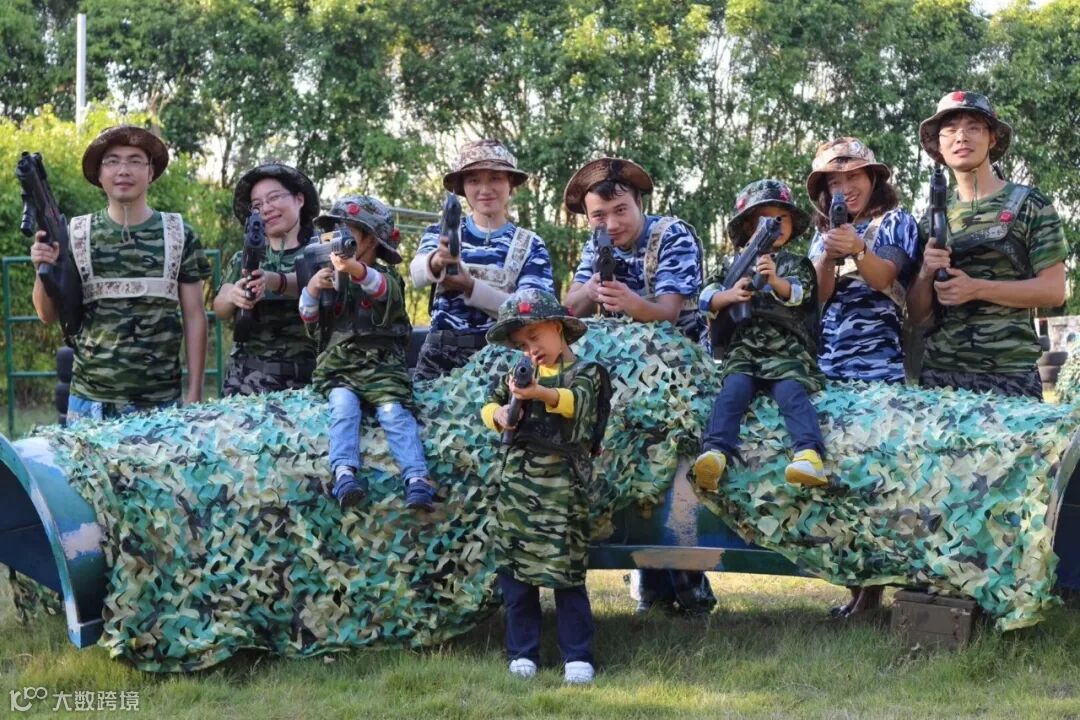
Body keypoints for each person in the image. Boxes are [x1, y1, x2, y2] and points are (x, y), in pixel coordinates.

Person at [561, 156, 714, 615]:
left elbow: (669, 311)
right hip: (622, 378)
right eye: (599, 216)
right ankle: (649, 576)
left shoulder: (673, 236)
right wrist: (591, 290)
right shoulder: (596, 244)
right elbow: (569, 309)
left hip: (679, 371)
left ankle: (686, 578)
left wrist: (629, 301)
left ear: (639, 204)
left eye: (620, 211)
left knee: (671, 460)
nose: (611, 224)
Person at [30, 125, 210, 420]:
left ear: (150, 172)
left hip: (161, 405)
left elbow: (195, 316)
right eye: (112, 161)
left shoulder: (178, 233)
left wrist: (195, 393)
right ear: (99, 174)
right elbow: (47, 315)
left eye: (135, 160)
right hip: (90, 403)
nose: (123, 170)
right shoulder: (75, 234)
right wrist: (43, 269)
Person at [480, 289, 610, 685]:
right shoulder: (518, 373)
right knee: (516, 578)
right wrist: (501, 414)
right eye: (523, 344)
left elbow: (576, 403)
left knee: (567, 576)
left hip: (562, 490)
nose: (530, 349)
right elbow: (488, 405)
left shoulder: (587, 372)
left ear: (558, 327)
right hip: (517, 489)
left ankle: (577, 656)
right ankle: (522, 652)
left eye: (535, 337)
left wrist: (538, 393)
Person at [908, 91, 1067, 398]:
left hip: (1009, 373)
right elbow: (917, 315)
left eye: (974, 127)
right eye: (950, 130)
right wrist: (926, 272)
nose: (961, 137)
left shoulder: (1030, 205)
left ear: (992, 138)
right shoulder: (931, 220)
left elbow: (1053, 290)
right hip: (940, 376)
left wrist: (977, 288)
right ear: (939, 144)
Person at [299, 196, 435, 511]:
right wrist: (313, 290)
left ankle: (417, 478)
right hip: (340, 369)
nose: (337, 236)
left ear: (371, 240)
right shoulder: (327, 277)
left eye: (348, 230)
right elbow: (309, 318)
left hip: (382, 370)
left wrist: (353, 268)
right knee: (343, 408)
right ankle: (344, 474)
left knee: (394, 414)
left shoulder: (386, 277)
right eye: (335, 229)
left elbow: (380, 288)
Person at [694, 179, 827, 490]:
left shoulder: (796, 263)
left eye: (781, 218)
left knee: (792, 394)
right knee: (732, 393)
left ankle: (808, 455)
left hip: (786, 351)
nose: (774, 225)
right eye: (764, 219)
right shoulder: (732, 264)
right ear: (748, 226)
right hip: (744, 350)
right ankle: (714, 453)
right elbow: (705, 298)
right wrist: (728, 296)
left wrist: (776, 281)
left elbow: (801, 294)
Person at [410, 140, 554, 380]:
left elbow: (535, 313)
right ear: (462, 187)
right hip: (438, 361)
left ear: (510, 183)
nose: (485, 189)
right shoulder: (441, 233)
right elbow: (416, 273)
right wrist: (436, 262)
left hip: (503, 363)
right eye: (474, 180)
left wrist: (471, 287)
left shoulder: (531, 245)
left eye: (495, 178)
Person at [808, 138, 920, 386]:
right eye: (835, 182)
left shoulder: (895, 221)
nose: (845, 189)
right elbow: (818, 293)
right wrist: (828, 256)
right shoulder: (823, 232)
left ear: (872, 178)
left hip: (882, 367)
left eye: (853, 176)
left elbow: (883, 277)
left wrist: (858, 248)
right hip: (827, 366)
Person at [213, 163, 319, 395]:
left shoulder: (319, 252)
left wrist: (273, 280)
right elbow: (220, 308)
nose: (267, 209)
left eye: (274, 198)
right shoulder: (243, 258)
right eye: (257, 205)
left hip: (308, 384)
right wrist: (234, 296)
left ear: (299, 199)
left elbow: (313, 283)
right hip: (246, 383)